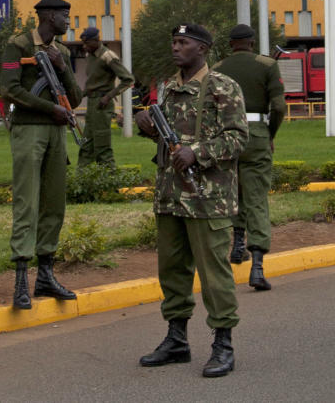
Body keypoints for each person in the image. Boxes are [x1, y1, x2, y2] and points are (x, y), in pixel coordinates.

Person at [134, 23, 248, 378]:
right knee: (172, 272)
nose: (176, 48)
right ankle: (177, 339)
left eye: (183, 43)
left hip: (206, 199)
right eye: (174, 42)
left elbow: (239, 138)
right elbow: (169, 137)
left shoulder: (222, 86)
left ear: (202, 48)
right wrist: (147, 126)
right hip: (170, 197)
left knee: (214, 275)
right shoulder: (169, 88)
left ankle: (223, 343)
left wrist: (197, 152)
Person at [0, 0, 83, 310]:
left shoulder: (61, 51)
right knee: (26, 202)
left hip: (57, 132)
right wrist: (50, 109)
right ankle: (21, 279)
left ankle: (46, 274)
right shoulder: (18, 45)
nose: (67, 20)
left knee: (54, 202)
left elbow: (73, 99)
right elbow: (9, 89)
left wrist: (64, 70)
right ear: (47, 16)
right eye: (64, 15)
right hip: (29, 130)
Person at [212, 23, 286, 290]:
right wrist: (270, 134)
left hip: (226, 135)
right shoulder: (267, 65)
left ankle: (237, 246)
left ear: (231, 44)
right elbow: (278, 106)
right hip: (256, 133)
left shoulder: (217, 68)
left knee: (233, 192)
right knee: (256, 197)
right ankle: (256, 266)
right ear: (252, 42)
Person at [77, 26, 134, 168]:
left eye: (86, 43)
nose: (84, 47)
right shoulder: (90, 56)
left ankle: (109, 183)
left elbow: (128, 80)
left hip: (102, 105)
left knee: (102, 147)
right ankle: (81, 181)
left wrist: (108, 97)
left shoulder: (108, 56)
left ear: (96, 40)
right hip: (91, 103)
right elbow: (91, 84)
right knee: (86, 145)